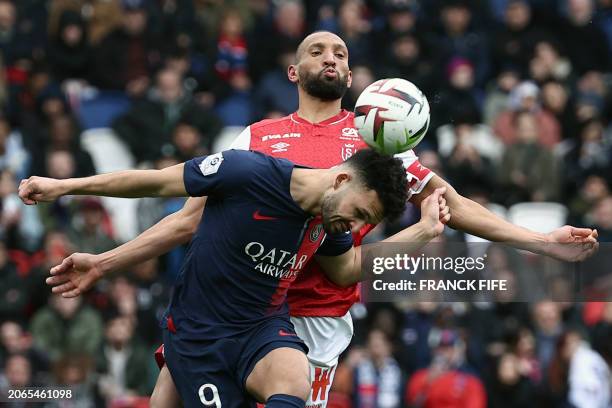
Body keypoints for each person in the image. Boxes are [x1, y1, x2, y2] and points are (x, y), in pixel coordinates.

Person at [29, 31, 598, 408]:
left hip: (313, 320)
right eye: (319, 50)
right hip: (227, 309)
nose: (332, 58)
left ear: (351, 76)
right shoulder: (258, 139)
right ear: (294, 70)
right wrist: (106, 261)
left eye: (343, 54)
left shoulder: (374, 142)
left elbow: (451, 205)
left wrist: (540, 242)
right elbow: (185, 222)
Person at [19, 147, 450, 407]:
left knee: (295, 378)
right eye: (358, 213)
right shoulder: (247, 173)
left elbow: (349, 268)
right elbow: (154, 182)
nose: (352, 225)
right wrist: (63, 186)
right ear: (340, 179)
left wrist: (426, 229)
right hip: (199, 333)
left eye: (364, 221)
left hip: (262, 328)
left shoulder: (329, 220)